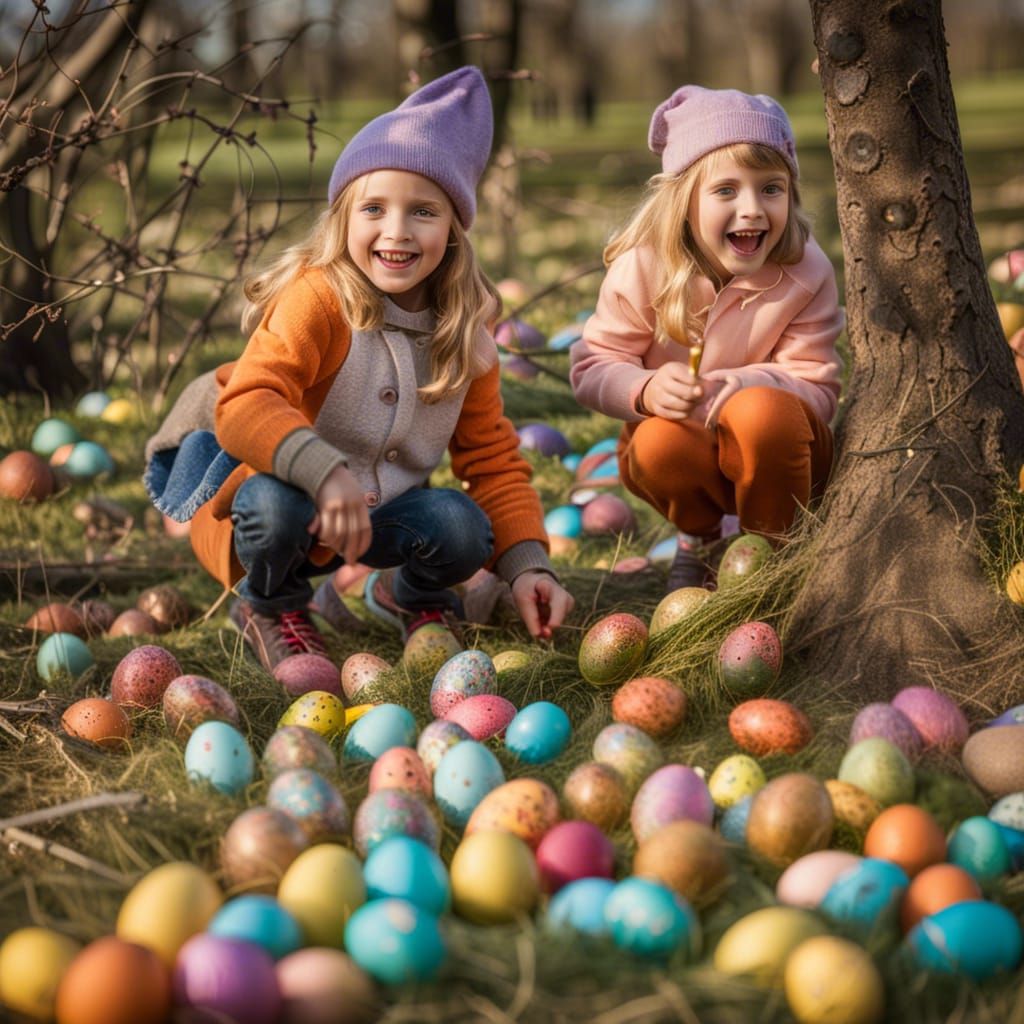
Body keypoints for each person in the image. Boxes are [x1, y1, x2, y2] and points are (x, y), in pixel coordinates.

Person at [144, 66, 573, 670]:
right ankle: (271, 605)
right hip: (284, 492)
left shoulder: (462, 331)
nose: (396, 232)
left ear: (454, 228)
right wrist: (322, 472)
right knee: (273, 506)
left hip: (380, 511)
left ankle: (408, 596)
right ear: (343, 217)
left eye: (423, 211)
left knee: (461, 527)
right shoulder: (319, 299)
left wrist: (530, 566)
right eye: (374, 207)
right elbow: (244, 405)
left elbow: (492, 459)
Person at [570, 85, 844, 591]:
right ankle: (702, 537)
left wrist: (747, 384)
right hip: (690, 451)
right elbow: (592, 365)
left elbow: (819, 388)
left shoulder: (805, 270)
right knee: (656, 441)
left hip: (783, 456)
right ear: (683, 202)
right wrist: (645, 388)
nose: (752, 209)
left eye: (771, 188)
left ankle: (773, 559)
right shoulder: (643, 268)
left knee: (759, 411)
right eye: (726, 191)